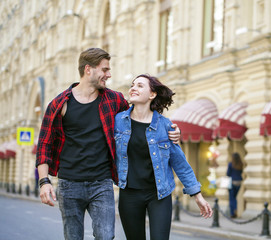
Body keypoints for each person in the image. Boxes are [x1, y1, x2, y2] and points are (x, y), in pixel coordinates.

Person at [35, 48, 180, 240]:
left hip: (101, 183)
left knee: (106, 236)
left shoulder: (114, 100)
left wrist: (170, 130)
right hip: (69, 184)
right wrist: (44, 182)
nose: (109, 74)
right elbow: (44, 144)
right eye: (104, 70)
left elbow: (138, 120)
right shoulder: (59, 104)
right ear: (89, 69)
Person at [114, 74, 213, 240]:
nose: (133, 88)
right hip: (129, 194)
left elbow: (180, 163)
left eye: (139, 85)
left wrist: (198, 196)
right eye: (132, 85)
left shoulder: (165, 125)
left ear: (152, 94)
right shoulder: (118, 121)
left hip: (159, 194)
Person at [226, 152, 244, 218]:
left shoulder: (230, 164)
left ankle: (232, 213)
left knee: (231, 198)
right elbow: (241, 172)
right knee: (234, 197)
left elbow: (228, 174)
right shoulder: (241, 164)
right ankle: (235, 209)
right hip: (239, 182)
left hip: (232, 182)